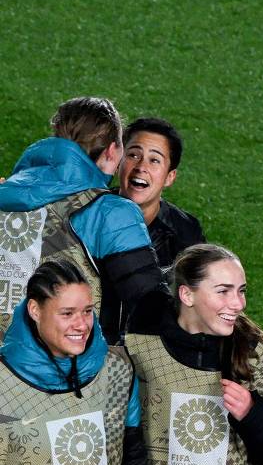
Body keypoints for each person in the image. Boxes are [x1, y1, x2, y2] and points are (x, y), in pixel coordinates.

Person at [125, 244, 263, 465]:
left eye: (241, 291)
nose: (238, 303)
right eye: (223, 291)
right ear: (187, 295)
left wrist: (254, 414)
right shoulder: (138, 349)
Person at [0, 97, 166, 344]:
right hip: (71, 372)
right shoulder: (110, 212)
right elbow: (149, 304)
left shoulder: (5, 193)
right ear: (112, 151)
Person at [0, 259, 152, 465]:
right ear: (34, 310)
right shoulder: (3, 380)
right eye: (67, 313)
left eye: (88, 311)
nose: (81, 325)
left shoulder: (117, 370)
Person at [118, 117, 206, 270]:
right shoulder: (88, 213)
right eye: (133, 155)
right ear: (119, 162)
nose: (141, 167)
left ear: (169, 177)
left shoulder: (186, 234)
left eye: (154, 160)